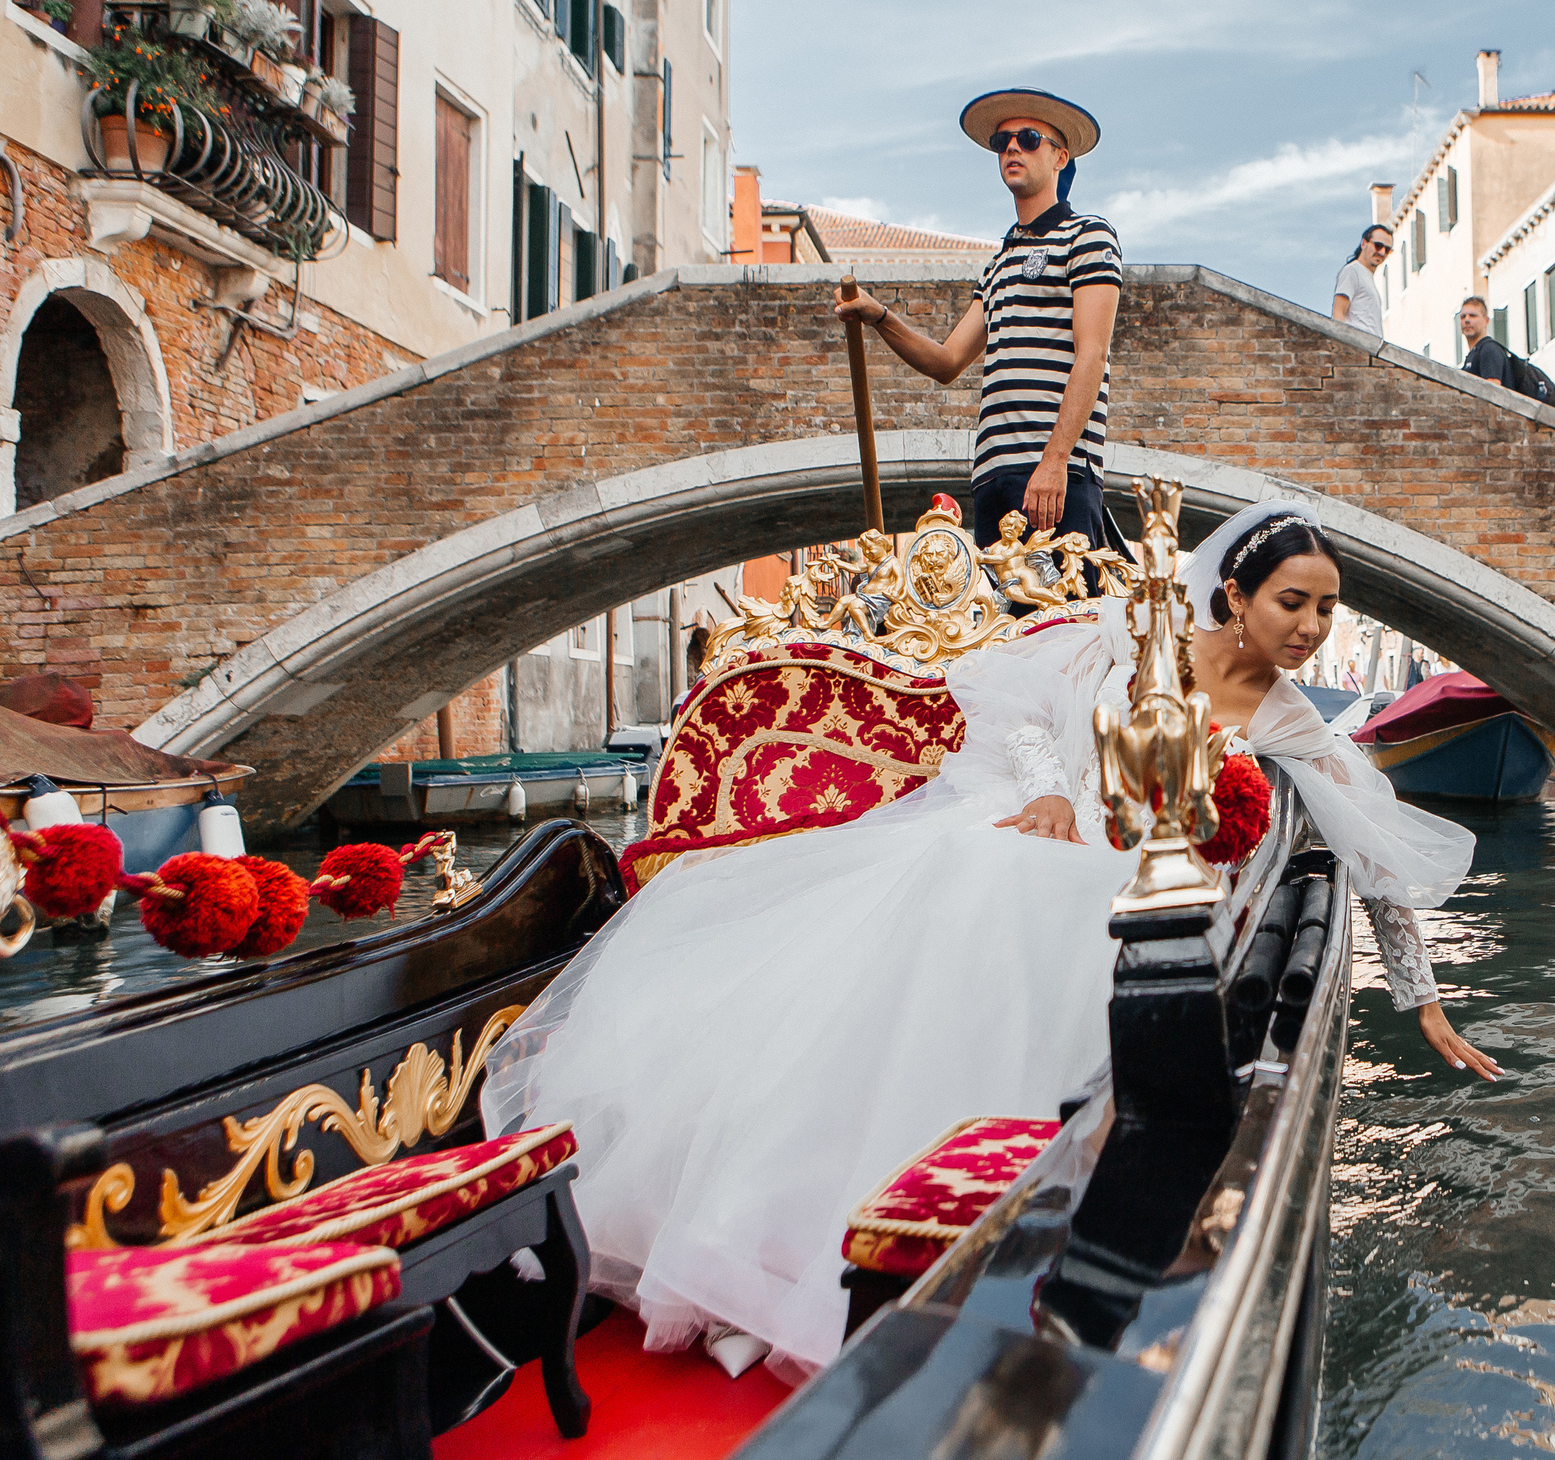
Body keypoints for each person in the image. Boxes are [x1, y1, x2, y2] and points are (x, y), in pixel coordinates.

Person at [479, 501, 1500, 1384]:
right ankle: (791, 1237)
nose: (1314, 629)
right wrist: (1050, 792)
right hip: (1028, 824)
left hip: (1127, 884)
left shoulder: (1291, 722)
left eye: (1327, 608)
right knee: (983, 875)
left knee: (1047, 907)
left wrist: (1423, 998)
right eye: (1295, 603)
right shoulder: (1126, 635)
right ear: (1234, 593)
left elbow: (1370, 856)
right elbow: (1011, 706)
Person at [836, 88, 1121, 557]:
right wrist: (879, 317)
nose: (1012, 147)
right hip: (993, 477)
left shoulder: (1088, 235)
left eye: (1029, 138)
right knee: (1005, 629)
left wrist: (1054, 462)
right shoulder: (998, 264)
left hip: (1055, 474)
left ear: (1059, 157)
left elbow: (1093, 355)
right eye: (1003, 140)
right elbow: (947, 361)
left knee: (1066, 624)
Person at [1331, 225, 1391, 335]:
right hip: (1357, 347)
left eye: (1387, 250)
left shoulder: (1367, 277)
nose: (1382, 252)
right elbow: (1338, 314)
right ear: (1364, 243)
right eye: (1378, 246)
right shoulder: (1352, 271)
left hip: (1370, 348)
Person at [1456, 295, 1507, 383]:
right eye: (1463, 317)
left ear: (1486, 321)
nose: (1467, 320)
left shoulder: (1489, 349)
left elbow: (1493, 390)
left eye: (1473, 316)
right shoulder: (1473, 355)